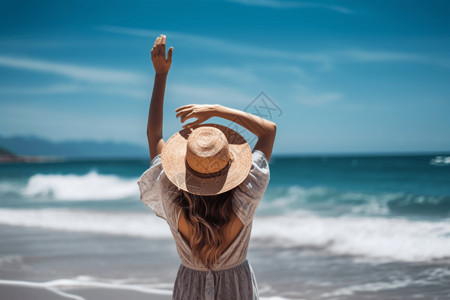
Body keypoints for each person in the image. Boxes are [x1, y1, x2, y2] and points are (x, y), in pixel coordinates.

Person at [137, 34, 276, 300]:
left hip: (190, 287)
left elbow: (153, 134)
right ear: (230, 166)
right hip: (238, 289)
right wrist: (215, 109)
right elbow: (269, 130)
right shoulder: (247, 191)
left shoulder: (168, 191)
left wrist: (160, 75)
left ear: (186, 169)